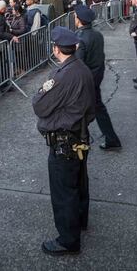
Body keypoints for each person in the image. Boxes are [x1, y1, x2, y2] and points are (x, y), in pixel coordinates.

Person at [32, 27, 96, 255]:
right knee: (79, 182)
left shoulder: (62, 75)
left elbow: (39, 105)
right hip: (78, 136)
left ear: (56, 49)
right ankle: (80, 222)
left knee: (64, 191)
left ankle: (68, 240)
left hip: (64, 142)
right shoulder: (82, 69)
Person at [75, 6, 121, 150]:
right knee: (97, 108)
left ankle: (85, 140)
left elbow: (78, 64)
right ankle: (109, 138)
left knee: (88, 110)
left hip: (86, 80)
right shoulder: (97, 34)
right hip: (96, 76)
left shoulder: (81, 38)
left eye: (76, 16)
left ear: (80, 20)